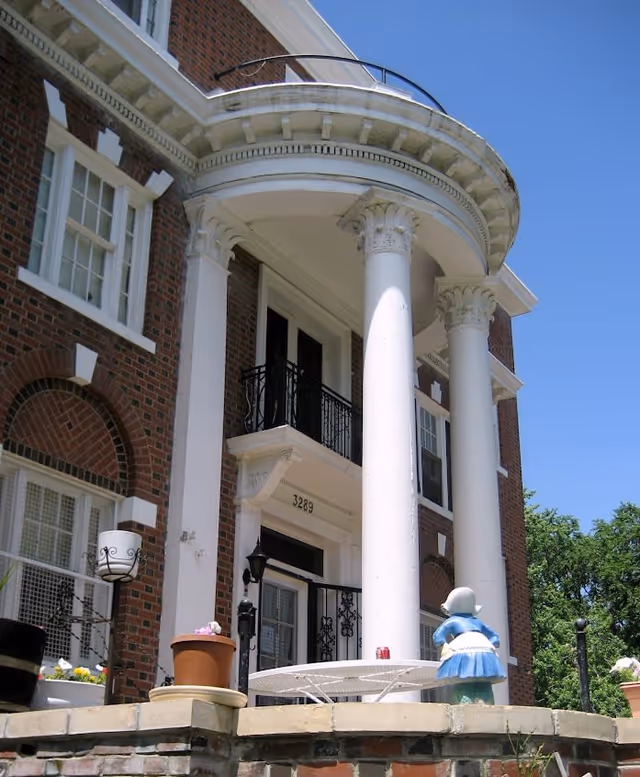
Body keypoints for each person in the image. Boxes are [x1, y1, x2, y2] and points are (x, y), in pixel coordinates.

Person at [432, 586, 506, 704]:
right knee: (482, 680)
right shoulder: (477, 622)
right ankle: (483, 703)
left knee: (463, 679)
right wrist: (487, 645)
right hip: (485, 652)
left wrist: (445, 647)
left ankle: (465, 704)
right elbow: (495, 637)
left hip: (462, 650)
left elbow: (437, 637)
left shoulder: (452, 621)